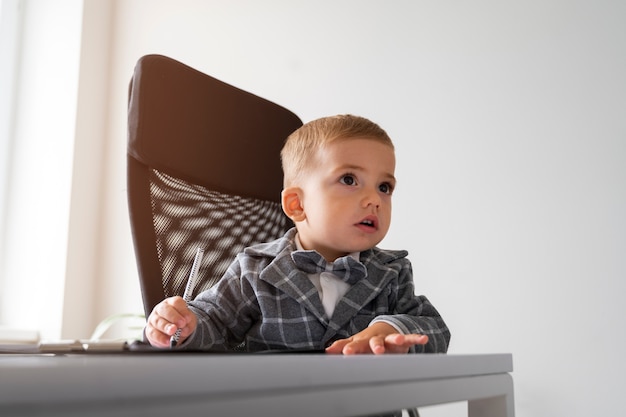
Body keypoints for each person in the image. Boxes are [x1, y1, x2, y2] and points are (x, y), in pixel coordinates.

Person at [145, 114, 451, 355]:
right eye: (349, 179)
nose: (374, 199)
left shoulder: (392, 273)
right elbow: (214, 321)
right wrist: (183, 325)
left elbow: (436, 329)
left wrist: (389, 329)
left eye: (385, 187)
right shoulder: (255, 268)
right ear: (297, 203)